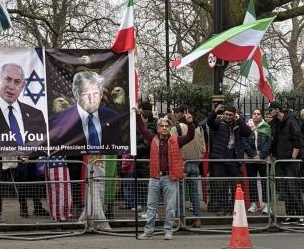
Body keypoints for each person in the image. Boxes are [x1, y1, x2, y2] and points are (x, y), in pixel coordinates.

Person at [135, 109, 195, 240]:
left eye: (166, 126)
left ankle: (168, 231)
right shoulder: (153, 139)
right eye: (161, 126)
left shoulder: (176, 140)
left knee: (170, 207)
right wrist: (138, 115)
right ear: (157, 128)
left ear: (169, 128)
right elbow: (142, 129)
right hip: (155, 177)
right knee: (151, 206)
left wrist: (190, 123)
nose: (164, 128)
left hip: (170, 177)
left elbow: (190, 137)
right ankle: (149, 231)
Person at [0, 63, 47, 154]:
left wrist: (31, 155)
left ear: (23, 86)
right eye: (8, 79)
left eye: (17, 82)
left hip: (28, 167)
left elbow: (43, 149)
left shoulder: (36, 114)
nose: (11, 86)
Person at [49, 70, 122, 153]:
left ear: (101, 94)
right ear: (76, 95)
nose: (92, 99)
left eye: (95, 93)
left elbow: (119, 148)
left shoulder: (112, 117)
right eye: (86, 94)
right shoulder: (61, 121)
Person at [206, 104, 252, 215]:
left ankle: (233, 208)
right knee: (221, 186)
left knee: (236, 185)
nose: (227, 116)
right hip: (220, 159)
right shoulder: (218, 124)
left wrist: (239, 119)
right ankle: (222, 208)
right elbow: (209, 122)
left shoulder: (238, 125)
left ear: (234, 115)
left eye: (230, 115)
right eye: (226, 114)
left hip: (234, 160)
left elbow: (247, 132)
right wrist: (215, 111)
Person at [268, 101, 304, 226]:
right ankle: (290, 215)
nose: (269, 112)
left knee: (293, 187)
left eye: (271, 110)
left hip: (290, 160)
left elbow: (298, 140)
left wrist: (293, 157)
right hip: (280, 160)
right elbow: (274, 140)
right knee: (285, 189)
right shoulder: (275, 123)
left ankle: (301, 215)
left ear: (277, 109)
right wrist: (274, 155)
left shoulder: (292, 121)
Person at [244, 108, 272, 215]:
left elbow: (269, 143)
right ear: (252, 115)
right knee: (252, 182)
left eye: (258, 114)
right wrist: (253, 154)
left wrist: (261, 155)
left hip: (264, 159)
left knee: (265, 181)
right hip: (251, 158)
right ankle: (253, 204)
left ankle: (267, 204)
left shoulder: (266, 127)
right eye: (254, 114)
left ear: (261, 116)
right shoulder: (247, 128)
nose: (256, 115)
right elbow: (244, 141)